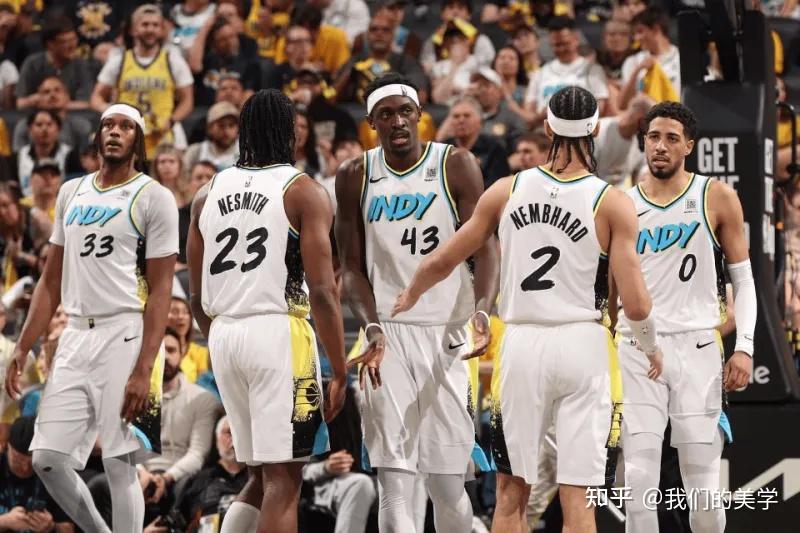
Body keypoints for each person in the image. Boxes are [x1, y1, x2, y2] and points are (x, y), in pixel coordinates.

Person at [392, 86, 662, 533]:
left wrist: (410, 293)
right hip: (584, 344)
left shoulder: (506, 189)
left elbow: (445, 257)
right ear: (596, 128)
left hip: (520, 344)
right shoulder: (613, 201)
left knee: (510, 495)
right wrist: (651, 346)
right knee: (580, 502)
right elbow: (635, 303)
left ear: (548, 129)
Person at [335, 72, 499, 533]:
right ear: (371, 122)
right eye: (385, 114)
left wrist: (483, 308)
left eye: (405, 111)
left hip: (446, 334)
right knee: (394, 482)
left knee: (447, 487)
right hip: (386, 337)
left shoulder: (456, 164)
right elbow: (351, 267)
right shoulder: (353, 175)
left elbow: (486, 247)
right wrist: (370, 325)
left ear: (420, 115)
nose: (398, 121)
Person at [3, 103, 179, 533]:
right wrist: (23, 346)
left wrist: (144, 367)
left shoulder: (154, 196)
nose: (115, 132)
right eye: (108, 125)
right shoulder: (71, 191)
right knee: (47, 458)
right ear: (98, 136)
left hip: (126, 330)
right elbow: (50, 280)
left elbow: (161, 290)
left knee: (120, 461)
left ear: (139, 140)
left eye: (125, 127)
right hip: (76, 332)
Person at [186, 89, 347, 533]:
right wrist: (338, 368)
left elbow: (196, 296)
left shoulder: (205, 193)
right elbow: (323, 291)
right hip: (277, 334)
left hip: (223, 334)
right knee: (284, 478)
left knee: (258, 475)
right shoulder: (303, 191)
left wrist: (224, 337)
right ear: (291, 132)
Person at [615, 102, 755, 533]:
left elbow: (745, 281)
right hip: (637, 349)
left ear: (689, 146)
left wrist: (745, 347)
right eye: (654, 137)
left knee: (704, 493)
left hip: (697, 346)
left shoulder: (716, 196)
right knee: (638, 482)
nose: (661, 146)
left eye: (672, 138)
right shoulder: (620, 203)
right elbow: (607, 289)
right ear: (644, 142)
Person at [88, 327, 221, 527]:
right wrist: (141, 473)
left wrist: (166, 478)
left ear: (182, 353)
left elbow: (198, 453)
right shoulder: (129, 395)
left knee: (192, 486)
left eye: (171, 350)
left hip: (179, 476)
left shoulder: (203, 399)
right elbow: (121, 443)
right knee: (99, 485)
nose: (165, 357)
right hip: (137, 472)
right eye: (160, 351)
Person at [91, 4, 194, 157]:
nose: (150, 29)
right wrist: (113, 112)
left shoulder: (172, 60)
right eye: (145, 24)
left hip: (163, 138)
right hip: (128, 137)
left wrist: (171, 121)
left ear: (161, 30)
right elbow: (96, 97)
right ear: (133, 29)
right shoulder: (119, 60)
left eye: (155, 25)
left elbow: (187, 100)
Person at [524, 16, 609, 127]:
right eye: (556, 45)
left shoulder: (593, 70)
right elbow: (528, 113)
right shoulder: (540, 73)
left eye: (565, 43)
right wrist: (542, 115)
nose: (561, 49)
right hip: (545, 130)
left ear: (576, 40)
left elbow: (600, 108)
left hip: (580, 130)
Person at [0, 416, 73, 532]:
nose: (25, 468)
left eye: (33, 463)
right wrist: (4, 521)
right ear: (6, 447)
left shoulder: (54, 474)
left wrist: (52, 527)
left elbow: (69, 528)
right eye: (17, 461)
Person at [15, 15, 92, 110]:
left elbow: (85, 104)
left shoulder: (81, 65)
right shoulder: (32, 63)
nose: (72, 45)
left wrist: (54, 104)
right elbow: (20, 103)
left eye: (73, 39)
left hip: (72, 116)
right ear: (50, 44)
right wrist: (33, 100)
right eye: (65, 42)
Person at [619, 6, 680, 111]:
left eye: (640, 31)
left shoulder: (683, 59)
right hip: (642, 118)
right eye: (634, 33)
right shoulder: (632, 61)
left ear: (656, 29)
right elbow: (623, 105)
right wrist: (638, 70)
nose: (636, 38)